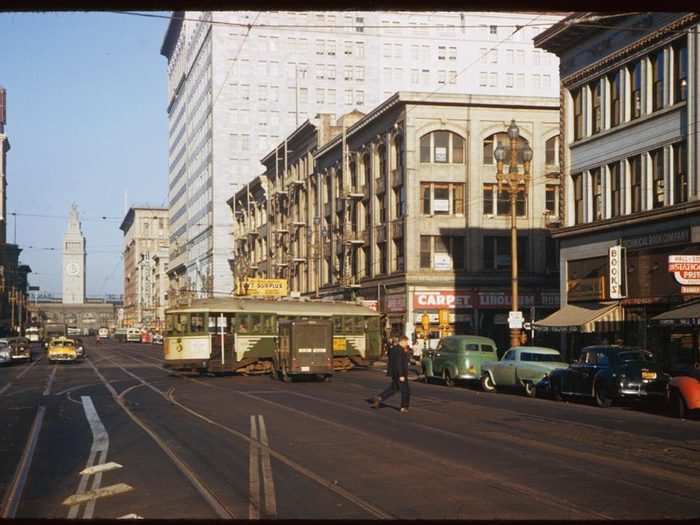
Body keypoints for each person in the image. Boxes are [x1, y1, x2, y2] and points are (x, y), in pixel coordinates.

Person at [371, 334, 411, 413]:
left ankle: (380, 397)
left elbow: (392, 361)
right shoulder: (400, 350)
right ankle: (404, 407)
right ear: (402, 341)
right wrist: (401, 375)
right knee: (406, 391)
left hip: (394, 373)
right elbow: (399, 363)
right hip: (400, 374)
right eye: (406, 342)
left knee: (394, 388)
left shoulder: (393, 349)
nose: (407, 343)